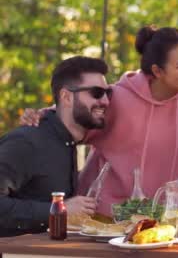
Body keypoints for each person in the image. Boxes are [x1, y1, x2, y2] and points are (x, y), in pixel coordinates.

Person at [20, 26, 178, 216]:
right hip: (102, 218)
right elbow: (72, 116)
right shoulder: (119, 99)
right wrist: (42, 115)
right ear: (158, 71)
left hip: (167, 222)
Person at [0, 56, 108, 236]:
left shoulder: (67, 143)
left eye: (108, 93)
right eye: (96, 93)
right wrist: (59, 209)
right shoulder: (26, 142)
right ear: (66, 96)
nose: (105, 101)